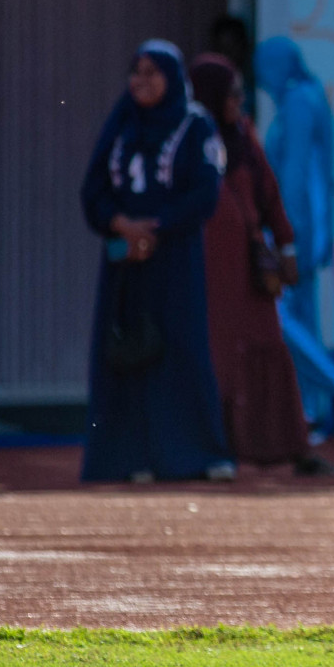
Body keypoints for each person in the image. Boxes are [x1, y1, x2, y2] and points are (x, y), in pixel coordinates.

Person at [79, 41, 234, 483]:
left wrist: (158, 226)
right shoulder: (122, 120)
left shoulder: (195, 123)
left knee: (180, 347)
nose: (142, 82)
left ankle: (197, 454)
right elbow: (92, 190)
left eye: (152, 73)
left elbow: (206, 191)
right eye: (136, 72)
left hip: (175, 258)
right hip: (124, 260)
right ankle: (126, 458)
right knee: (123, 350)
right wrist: (121, 223)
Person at [190, 54, 334, 476]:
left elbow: (270, 195)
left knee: (271, 351)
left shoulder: (243, 138)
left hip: (251, 270)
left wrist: (288, 246)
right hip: (208, 273)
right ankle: (219, 450)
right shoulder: (189, 140)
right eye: (232, 93)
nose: (240, 100)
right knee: (218, 360)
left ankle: (293, 447)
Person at [254, 36, 334, 436]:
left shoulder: (300, 102)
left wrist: (286, 236)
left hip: (297, 225)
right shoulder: (305, 96)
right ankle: (310, 411)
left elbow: (297, 176)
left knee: (282, 315)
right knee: (302, 318)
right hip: (305, 226)